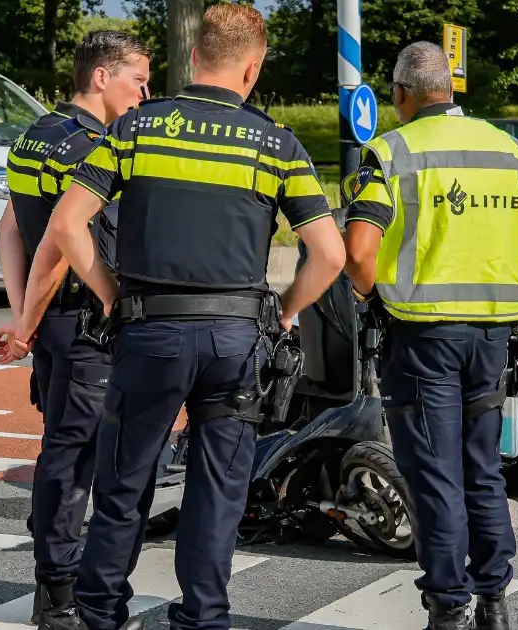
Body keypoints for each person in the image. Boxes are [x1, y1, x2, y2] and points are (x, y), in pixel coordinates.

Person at [39, 5, 346, 630]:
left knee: (124, 484)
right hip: (237, 341)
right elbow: (331, 254)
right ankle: (204, 618)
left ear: (195, 56)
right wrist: (284, 313)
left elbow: (68, 223)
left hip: (149, 332)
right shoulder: (275, 143)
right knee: (218, 491)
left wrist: (106, 291)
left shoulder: (138, 130)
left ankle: (100, 614)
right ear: (252, 68)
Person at [341, 41, 518, 630]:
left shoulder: (390, 152)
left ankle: (447, 606)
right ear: (450, 88)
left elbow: (359, 254)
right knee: (481, 467)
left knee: (434, 474)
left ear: (399, 94)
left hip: (422, 339)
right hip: (491, 336)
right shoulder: (508, 149)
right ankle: (494, 600)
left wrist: (375, 301)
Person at [0, 29, 151, 625]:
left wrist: (23, 314)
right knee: (74, 458)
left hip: (53, 322)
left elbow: (11, 229)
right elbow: (62, 239)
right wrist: (28, 320)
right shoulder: (90, 147)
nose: (145, 92)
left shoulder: (33, 137)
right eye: (138, 79)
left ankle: (53, 589)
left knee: (61, 449)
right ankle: (60, 595)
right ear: (102, 76)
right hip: (86, 325)